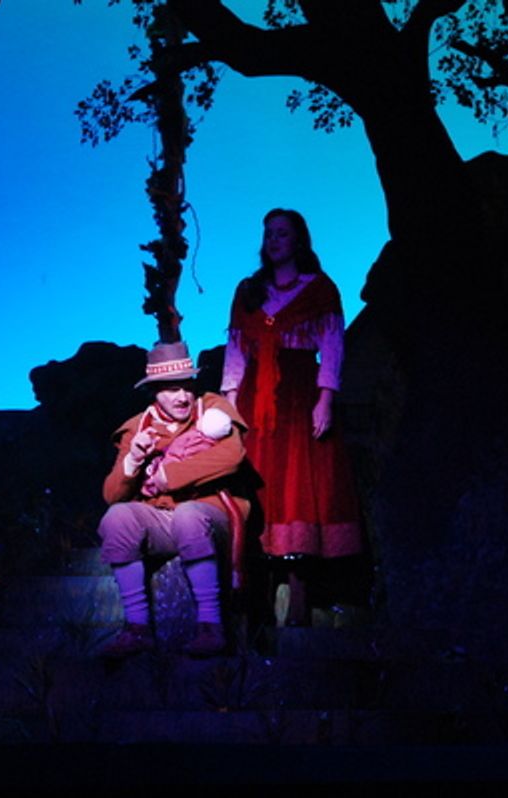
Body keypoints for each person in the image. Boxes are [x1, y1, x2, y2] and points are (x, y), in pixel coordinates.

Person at [221, 208, 364, 626]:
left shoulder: (319, 289)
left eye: (282, 233)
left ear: (299, 240)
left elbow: (332, 346)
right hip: (255, 401)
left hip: (299, 396)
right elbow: (235, 351)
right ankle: (254, 598)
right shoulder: (249, 291)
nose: (273, 240)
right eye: (268, 233)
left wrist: (326, 398)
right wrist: (229, 404)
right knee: (257, 484)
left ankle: (300, 598)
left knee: (299, 486)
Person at [97, 341, 249, 659]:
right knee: (118, 518)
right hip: (162, 517)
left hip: (211, 512)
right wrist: (134, 460)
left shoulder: (213, 408)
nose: (181, 397)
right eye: (170, 389)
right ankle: (137, 629)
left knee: (189, 515)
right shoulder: (138, 427)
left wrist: (170, 476)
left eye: (186, 386)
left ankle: (211, 625)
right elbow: (112, 495)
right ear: (154, 392)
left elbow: (232, 456)